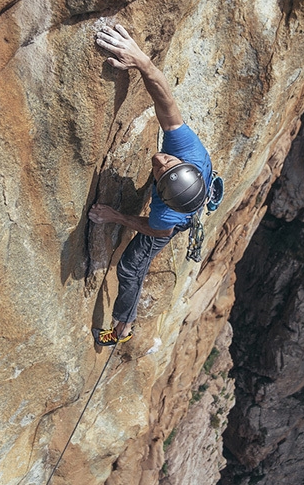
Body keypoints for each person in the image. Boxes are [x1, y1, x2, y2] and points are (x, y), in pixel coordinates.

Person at [89, 24, 212, 346]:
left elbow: (157, 231)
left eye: (159, 173)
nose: (158, 160)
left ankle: (123, 328)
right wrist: (142, 62)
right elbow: (167, 106)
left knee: (130, 269)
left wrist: (115, 216)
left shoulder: (165, 216)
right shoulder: (190, 155)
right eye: (167, 164)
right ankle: (124, 324)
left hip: (173, 220)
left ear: (162, 196)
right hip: (187, 193)